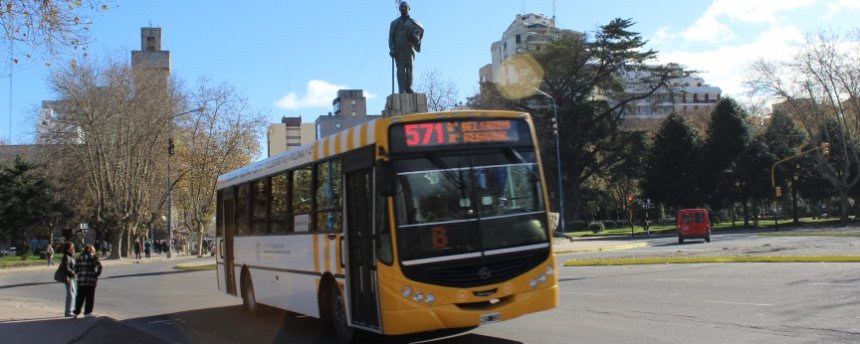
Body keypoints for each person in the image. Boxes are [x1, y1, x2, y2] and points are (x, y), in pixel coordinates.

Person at [389, 1, 423, 94]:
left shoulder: (414, 23)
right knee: (400, 69)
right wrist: (392, 48)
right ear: (399, 9)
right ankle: (402, 89)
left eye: (405, 6)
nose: (403, 7)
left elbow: (419, 35)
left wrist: (417, 38)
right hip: (399, 49)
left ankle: (409, 87)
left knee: (410, 68)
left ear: (409, 8)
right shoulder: (394, 23)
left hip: (409, 48)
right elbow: (391, 37)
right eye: (401, 6)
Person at [73, 244, 102, 318]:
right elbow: (100, 266)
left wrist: (78, 274)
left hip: (81, 279)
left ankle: (76, 311)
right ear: (92, 250)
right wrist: (96, 275)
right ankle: (87, 312)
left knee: (79, 296)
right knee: (90, 296)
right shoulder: (93, 257)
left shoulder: (79, 257)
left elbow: (75, 268)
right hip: (90, 279)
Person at [60, 241, 76, 317]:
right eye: (71, 248)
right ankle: (68, 311)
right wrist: (73, 273)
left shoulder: (70, 256)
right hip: (68, 277)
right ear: (67, 249)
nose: (73, 249)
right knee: (70, 294)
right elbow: (66, 268)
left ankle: (71, 310)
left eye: (73, 247)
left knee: (72, 294)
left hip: (71, 277)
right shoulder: (66, 257)